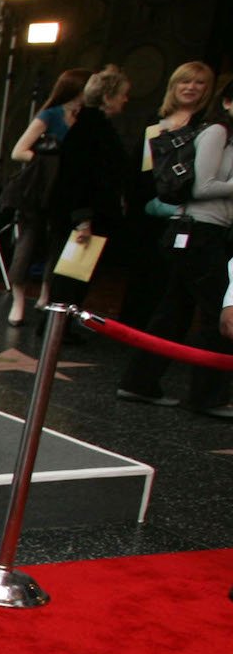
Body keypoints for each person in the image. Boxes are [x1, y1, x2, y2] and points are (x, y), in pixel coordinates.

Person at [118, 74, 233, 416]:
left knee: (173, 313)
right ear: (226, 101)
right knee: (218, 314)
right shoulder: (216, 132)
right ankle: (208, 397)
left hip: (204, 233)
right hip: (198, 233)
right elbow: (202, 186)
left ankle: (139, 382)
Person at [125, 61, 217, 328]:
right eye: (184, 81)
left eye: (198, 82)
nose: (190, 87)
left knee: (175, 280)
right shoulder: (154, 120)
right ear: (173, 85)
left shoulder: (208, 124)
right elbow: (140, 168)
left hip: (186, 213)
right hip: (149, 210)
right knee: (144, 271)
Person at [4, 67, 89, 325]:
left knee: (59, 246)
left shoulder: (86, 119)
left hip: (66, 195)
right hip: (39, 192)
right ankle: (19, 299)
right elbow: (19, 150)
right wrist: (49, 164)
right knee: (27, 244)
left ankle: (46, 294)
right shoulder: (50, 115)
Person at [49, 64, 132, 313]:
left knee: (77, 275)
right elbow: (78, 176)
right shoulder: (91, 129)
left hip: (87, 215)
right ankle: (59, 324)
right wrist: (82, 219)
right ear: (108, 97)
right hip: (84, 217)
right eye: (122, 94)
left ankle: (64, 323)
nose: (125, 100)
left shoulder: (91, 125)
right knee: (71, 275)